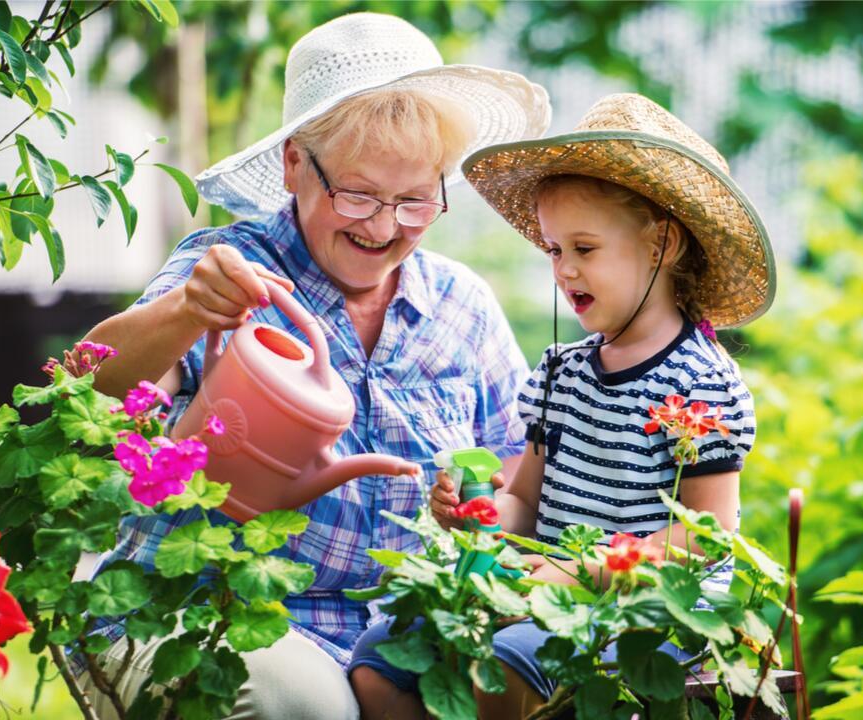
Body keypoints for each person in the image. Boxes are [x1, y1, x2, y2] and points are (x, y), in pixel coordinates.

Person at [77, 12, 550, 720]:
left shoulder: (462, 308)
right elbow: (90, 398)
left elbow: (518, 483)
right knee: (301, 706)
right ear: (296, 162)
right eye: (357, 194)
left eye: (416, 199)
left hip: (395, 636)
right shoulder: (228, 272)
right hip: (215, 608)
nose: (385, 227)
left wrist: (480, 514)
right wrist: (185, 313)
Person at [348, 93, 777, 718]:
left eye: (584, 248)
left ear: (663, 243)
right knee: (381, 655)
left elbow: (704, 539)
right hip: (545, 598)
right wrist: (478, 513)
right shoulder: (561, 374)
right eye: (553, 250)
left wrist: (589, 573)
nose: (564, 271)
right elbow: (526, 501)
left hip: (649, 613)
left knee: (498, 669)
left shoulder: (700, 385)